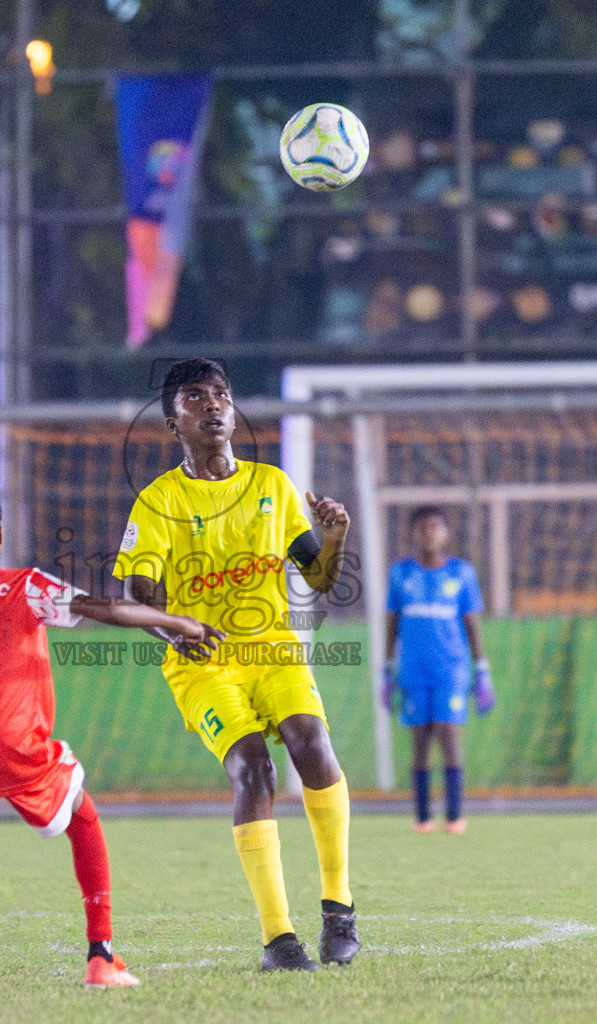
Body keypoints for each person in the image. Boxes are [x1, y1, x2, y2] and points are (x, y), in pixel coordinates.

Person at [0, 481, 218, 988]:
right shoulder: (23, 585)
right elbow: (108, 609)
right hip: (17, 749)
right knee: (83, 817)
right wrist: (178, 622)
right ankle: (100, 957)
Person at [113, 357, 360, 972]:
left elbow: (320, 579)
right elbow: (139, 587)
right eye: (194, 397)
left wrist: (333, 539)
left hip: (274, 649)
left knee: (311, 741)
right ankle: (279, 939)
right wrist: (177, 625)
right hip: (202, 662)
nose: (213, 404)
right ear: (174, 423)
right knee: (253, 770)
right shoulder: (159, 499)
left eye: (220, 394)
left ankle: (339, 908)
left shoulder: (272, 485)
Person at [384, 506, 494, 835]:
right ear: (413, 532)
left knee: (448, 736)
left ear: (446, 533)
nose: (429, 532)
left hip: (452, 671)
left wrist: (482, 670)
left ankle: (455, 816)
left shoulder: (461, 573)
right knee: (420, 743)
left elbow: (472, 624)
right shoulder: (400, 573)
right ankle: (421, 818)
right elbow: (393, 623)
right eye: (423, 527)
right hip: (413, 671)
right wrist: (385, 669)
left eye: (435, 526)